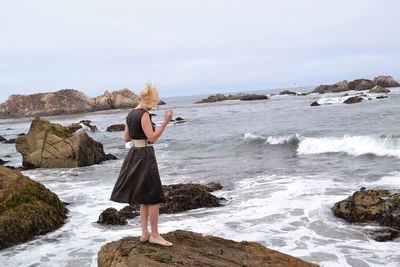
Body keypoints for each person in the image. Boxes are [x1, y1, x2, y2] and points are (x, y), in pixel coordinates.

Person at [110, 84, 173, 247]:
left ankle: (144, 233)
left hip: (133, 155)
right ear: (149, 100)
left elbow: (126, 138)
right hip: (145, 155)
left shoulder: (130, 114)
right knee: (153, 196)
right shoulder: (144, 114)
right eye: (154, 102)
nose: (154, 106)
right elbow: (152, 138)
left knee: (144, 196)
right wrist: (165, 122)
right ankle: (155, 234)